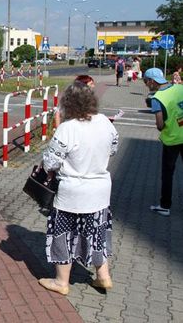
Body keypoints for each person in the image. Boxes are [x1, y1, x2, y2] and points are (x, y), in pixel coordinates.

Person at [38, 81, 119, 295]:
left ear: (68, 104)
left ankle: (61, 282)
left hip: (72, 194)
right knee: (97, 234)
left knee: (63, 235)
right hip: (100, 191)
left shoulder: (68, 128)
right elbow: (114, 148)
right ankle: (103, 276)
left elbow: (50, 162)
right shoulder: (104, 122)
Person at [143, 68, 183, 217]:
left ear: (152, 81)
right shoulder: (180, 87)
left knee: (168, 173)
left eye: (146, 82)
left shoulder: (157, 98)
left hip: (172, 140)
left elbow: (159, 124)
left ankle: (165, 206)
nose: (146, 85)